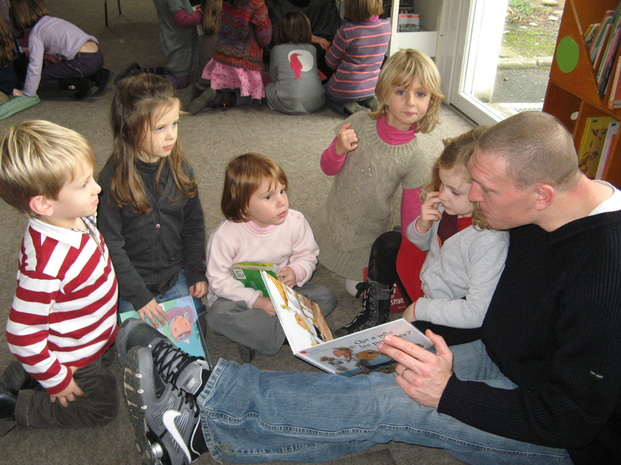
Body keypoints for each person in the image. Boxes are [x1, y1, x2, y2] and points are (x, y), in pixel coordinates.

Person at [116, 110, 621, 465]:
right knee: (373, 376)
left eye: (484, 191)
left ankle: (208, 393)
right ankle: (201, 432)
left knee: (391, 403)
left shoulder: (606, 277)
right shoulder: (539, 210)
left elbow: (570, 419)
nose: (473, 201)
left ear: (542, 196)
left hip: (559, 431)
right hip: (501, 356)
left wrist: (450, 394)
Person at [0, 120, 119, 431]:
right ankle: (15, 406)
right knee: (103, 408)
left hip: (87, 329)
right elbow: (21, 332)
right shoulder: (48, 266)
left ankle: (27, 372)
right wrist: (57, 380)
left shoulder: (72, 215)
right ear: (43, 203)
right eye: (83, 184)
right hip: (72, 354)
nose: (97, 187)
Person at [335, 126, 510, 336]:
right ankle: (375, 317)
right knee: (389, 242)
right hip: (425, 284)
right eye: (442, 184)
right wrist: (421, 227)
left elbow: (476, 312)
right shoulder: (448, 207)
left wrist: (421, 309)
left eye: (454, 191)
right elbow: (420, 246)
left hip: (447, 308)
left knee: (413, 349)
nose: (442, 195)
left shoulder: (489, 241)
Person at [311, 48, 443, 296]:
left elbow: (410, 219)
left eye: (421, 94)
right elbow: (326, 168)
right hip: (331, 219)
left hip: (366, 237)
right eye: (401, 91)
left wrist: (408, 262)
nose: (411, 102)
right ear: (384, 92)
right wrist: (338, 149)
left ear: (431, 101)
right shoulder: (359, 122)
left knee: (356, 291)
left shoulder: (416, 159)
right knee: (300, 254)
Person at [97, 74, 208, 328]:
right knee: (135, 342)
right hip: (132, 281)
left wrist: (195, 271)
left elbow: (194, 225)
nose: (171, 136)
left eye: (175, 124)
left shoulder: (182, 169)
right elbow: (111, 246)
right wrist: (138, 296)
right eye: (160, 128)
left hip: (174, 274)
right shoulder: (111, 180)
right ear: (130, 128)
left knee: (192, 333)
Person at [205, 152, 337, 362]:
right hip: (238, 297)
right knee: (217, 316)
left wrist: (297, 271)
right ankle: (288, 334)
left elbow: (308, 254)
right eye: (268, 197)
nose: (281, 202)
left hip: (281, 290)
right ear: (243, 205)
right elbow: (218, 281)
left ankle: (257, 335)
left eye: (282, 191)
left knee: (326, 297)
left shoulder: (295, 221)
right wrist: (256, 300)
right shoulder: (226, 235)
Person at [8, 0, 110, 100]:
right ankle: (98, 74)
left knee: (43, 77)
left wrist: (27, 93)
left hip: (82, 61)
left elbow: (35, 67)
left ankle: (81, 84)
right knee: (62, 66)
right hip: (97, 55)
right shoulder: (52, 20)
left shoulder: (35, 34)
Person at [185, 0, 272, 114]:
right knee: (249, 96)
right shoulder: (257, 6)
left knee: (227, 86)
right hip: (245, 62)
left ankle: (198, 92)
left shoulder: (227, 2)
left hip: (222, 58)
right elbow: (265, 38)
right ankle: (219, 99)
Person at [323, 0, 390, 115]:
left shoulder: (346, 31)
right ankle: (371, 101)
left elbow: (330, 62)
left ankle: (346, 105)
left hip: (345, 88)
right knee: (365, 94)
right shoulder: (386, 27)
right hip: (371, 87)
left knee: (324, 92)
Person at [264, 10, 325, 114]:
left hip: (288, 103)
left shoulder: (276, 50)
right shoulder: (312, 49)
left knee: (268, 87)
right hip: (317, 102)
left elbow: (274, 77)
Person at [267, 0, 342, 81]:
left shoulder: (278, 5)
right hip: (323, 63)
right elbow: (338, 35)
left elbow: (276, 39)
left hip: (286, 60)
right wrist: (310, 37)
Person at [178, 0, 222, 109]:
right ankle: (217, 98)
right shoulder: (223, 37)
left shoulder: (208, 35)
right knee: (247, 94)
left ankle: (197, 90)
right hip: (216, 81)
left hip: (203, 78)